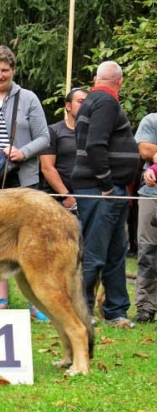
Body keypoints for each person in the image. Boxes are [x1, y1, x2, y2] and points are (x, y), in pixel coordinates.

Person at [0, 45, 50, 319]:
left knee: (31, 245)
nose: (0, 75)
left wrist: (23, 151)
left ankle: (37, 302)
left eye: (5, 70)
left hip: (24, 180)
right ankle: (1, 301)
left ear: (13, 71)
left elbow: (44, 137)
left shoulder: (28, 98)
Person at [72, 61, 141, 328]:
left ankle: (116, 310)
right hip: (102, 189)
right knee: (95, 251)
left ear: (97, 78)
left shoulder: (93, 100)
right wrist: (106, 184)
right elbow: (95, 145)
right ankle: (83, 309)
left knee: (116, 252)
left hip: (110, 189)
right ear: (120, 82)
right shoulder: (106, 102)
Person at [40, 88, 88, 211]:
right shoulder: (53, 131)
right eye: (81, 101)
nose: (85, 106)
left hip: (88, 196)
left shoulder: (94, 133)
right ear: (68, 106)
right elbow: (47, 167)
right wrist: (66, 195)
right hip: (59, 200)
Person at [133, 113, 157, 322]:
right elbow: (145, 150)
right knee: (148, 250)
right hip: (151, 195)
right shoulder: (151, 120)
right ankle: (146, 306)